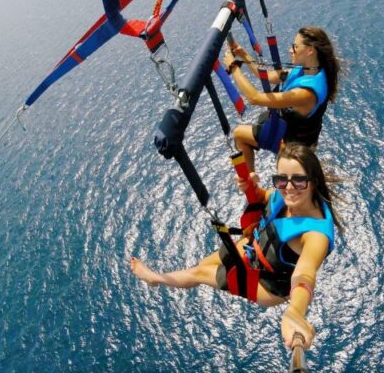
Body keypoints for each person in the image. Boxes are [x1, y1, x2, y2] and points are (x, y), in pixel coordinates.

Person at [130, 143, 343, 349]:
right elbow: (263, 197)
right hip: (253, 250)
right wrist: (250, 187)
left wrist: (295, 312)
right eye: (281, 179)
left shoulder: (316, 236)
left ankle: (155, 279)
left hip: (269, 285)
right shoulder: (285, 193)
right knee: (201, 266)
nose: (288, 188)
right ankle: (167, 278)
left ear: (313, 181)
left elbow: (304, 275)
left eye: (298, 181)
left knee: (201, 273)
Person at [223, 26, 341, 173]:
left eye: (295, 47)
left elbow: (254, 98)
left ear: (310, 50)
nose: (290, 50)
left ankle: (251, 186)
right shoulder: (309, 70)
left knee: (239, 134)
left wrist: (233, 67)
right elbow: (267, 75)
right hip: (292, 134)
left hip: (293, 149)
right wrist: (243, 54)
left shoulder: (307, 94)